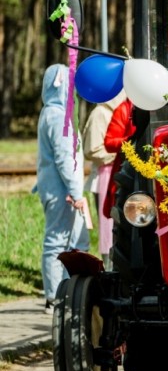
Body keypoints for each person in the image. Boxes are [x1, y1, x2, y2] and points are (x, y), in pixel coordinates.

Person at [36, 64, 89, 312]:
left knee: (71, 242)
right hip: (62, 193)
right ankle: (56, 296)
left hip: (56, 189)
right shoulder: (58, 117)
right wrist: (76, 193)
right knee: (58, 243)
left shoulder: (49, 113)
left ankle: (66, 294)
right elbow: (64, 158)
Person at [81, 91, 124, 267]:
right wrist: (119, 154)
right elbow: (92, 149)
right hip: (103, 176)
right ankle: (107, 265)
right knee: (107, 225)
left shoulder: (118, 112)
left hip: (116, 174)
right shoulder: (100, 113)